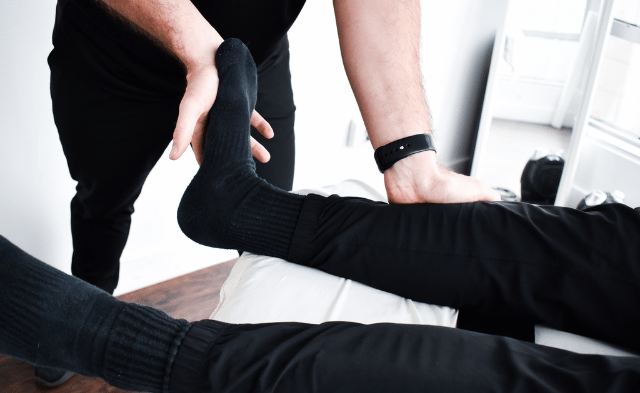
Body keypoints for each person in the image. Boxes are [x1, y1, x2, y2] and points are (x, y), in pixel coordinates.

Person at [2, 40, 639, 391]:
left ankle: (99, 335)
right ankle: (242, 207)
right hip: (114, 54)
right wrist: (410, 159)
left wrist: (405, 147)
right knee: (594, 245)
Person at [44, 0, 499, 384]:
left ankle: (247, 364)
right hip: (112, 65)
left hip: (249, 63)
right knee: (102, 203)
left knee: (268, 221)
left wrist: (410, 156)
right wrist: (205, 53)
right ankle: (82, 309)